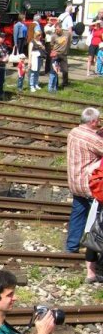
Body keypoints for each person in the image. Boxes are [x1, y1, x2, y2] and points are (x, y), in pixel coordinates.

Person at [66, 107, 103, 282]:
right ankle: (93, 257)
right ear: (93, 121)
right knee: (95, 224)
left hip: (75, 182)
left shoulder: (74, 132)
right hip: (89, 184)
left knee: (78, 213)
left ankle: (71, 246)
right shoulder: (92, 138)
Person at [49, 24, 69, 90]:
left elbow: (69, 41)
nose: (56, 31)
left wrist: (67, 49)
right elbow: (51, 45)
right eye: (55, 29)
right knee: (55, 70)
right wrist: (53, 53)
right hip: (56, 54)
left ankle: (65, 83)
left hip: (64, 54)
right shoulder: (54, 36)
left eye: (57, 29)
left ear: (61, 28)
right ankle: (55, 85)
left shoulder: (67, 34)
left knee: (65, 70)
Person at [86, 11, 103, 77]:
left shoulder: (102, 29)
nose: (99, 24)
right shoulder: (93, 28)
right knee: (90, 58)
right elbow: (90, 25)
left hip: (99, 45)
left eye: (100, 23)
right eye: (98, 23)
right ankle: (88, 71)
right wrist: (96, 22)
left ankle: (97, 70)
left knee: (97, 58)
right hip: (92, 44)